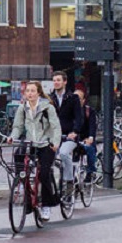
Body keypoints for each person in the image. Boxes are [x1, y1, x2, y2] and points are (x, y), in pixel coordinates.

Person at [10, 80, 62, 221]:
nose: (30, 94)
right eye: (27, 91)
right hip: (30, 142)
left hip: (46, 143)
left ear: (38, 93)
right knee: (19, 157)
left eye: (33, 91)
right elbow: (18, 126)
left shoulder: (47, 108)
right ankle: (22, 188)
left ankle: (46, 205)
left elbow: (56, 127)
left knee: (44, 173)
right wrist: (12, 137)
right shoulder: (23, 108)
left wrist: (55, 142)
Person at [49, 71, 83, 200]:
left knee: (63, 153)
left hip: (69, 136)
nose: (56, 82)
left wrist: (74, 131)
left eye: (58, 80)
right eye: (54, 80)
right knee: (46, 158)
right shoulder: (50, 98)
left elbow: (78, 117)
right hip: (54, 136)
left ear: (65, 82)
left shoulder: (72, 98)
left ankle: (69, 182)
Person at [74, 90, 98, 182]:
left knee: (89, 148)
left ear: (83, 100)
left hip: (86, 137)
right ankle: (72, 176)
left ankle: (90, 172)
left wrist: (91, 137)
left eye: (78, 98)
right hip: (74, 138)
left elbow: (92, 126)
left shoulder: (89, 111)